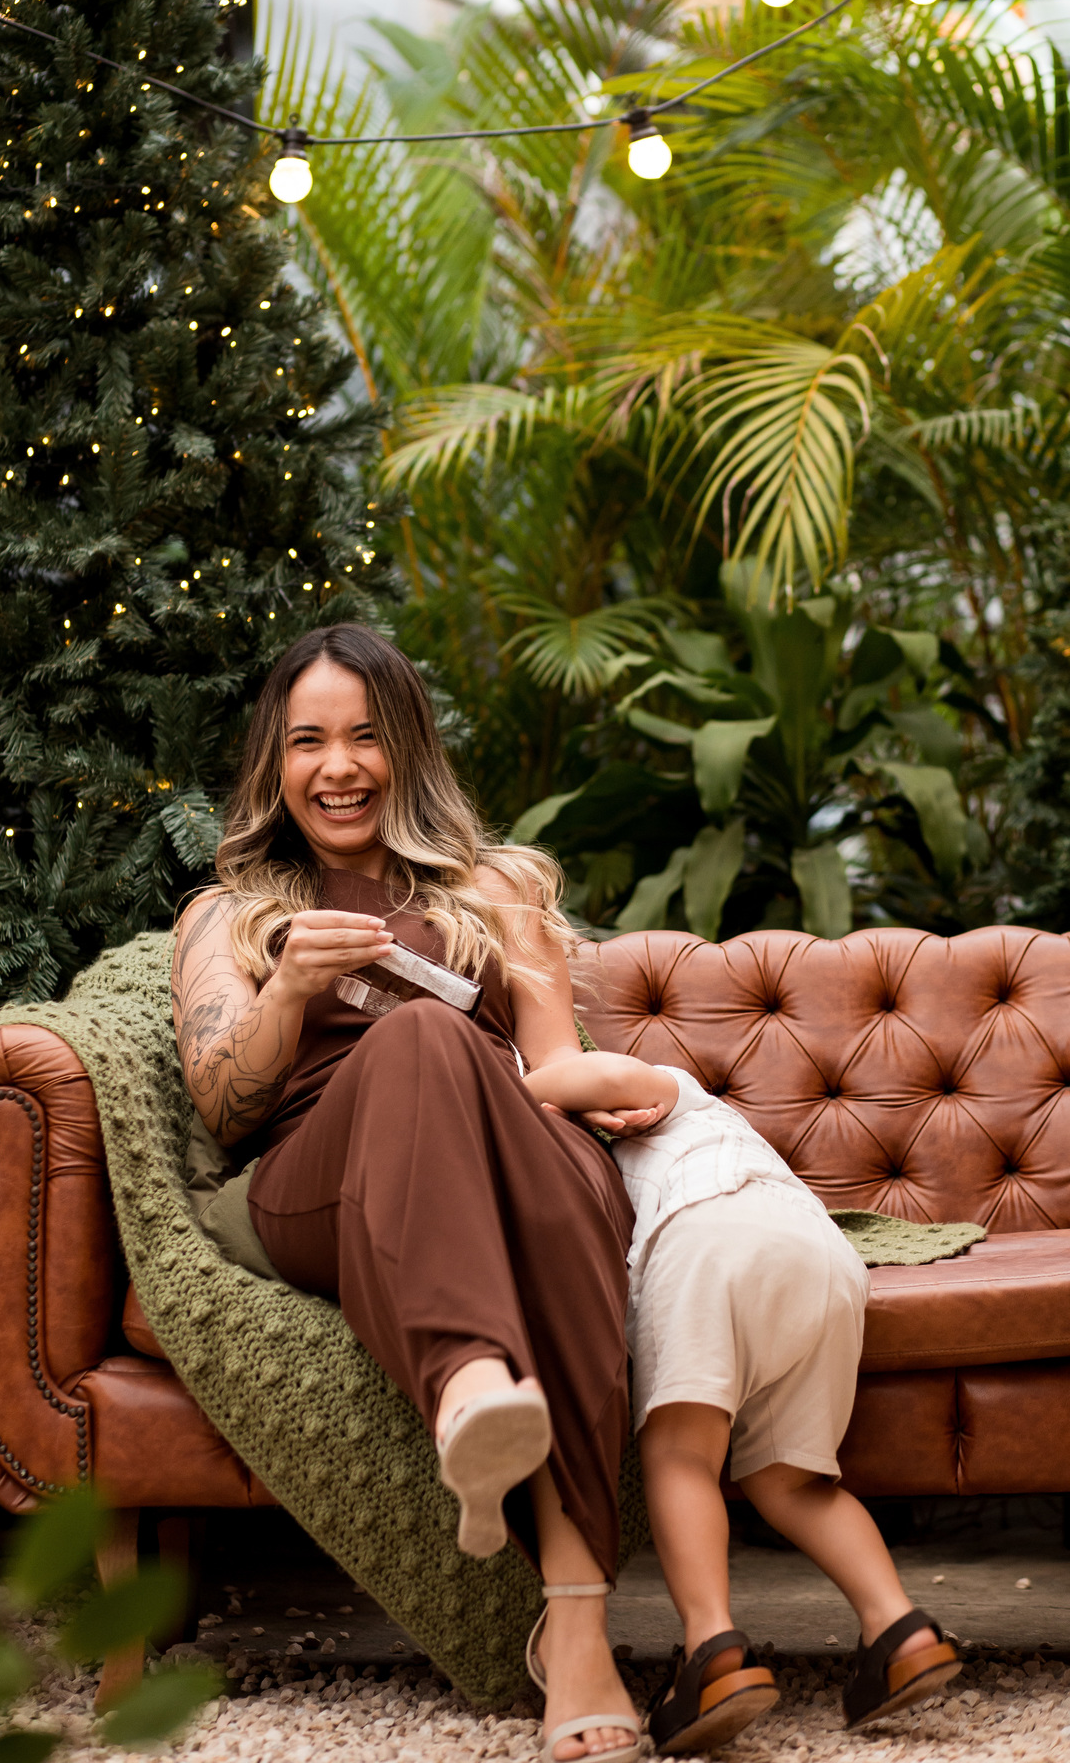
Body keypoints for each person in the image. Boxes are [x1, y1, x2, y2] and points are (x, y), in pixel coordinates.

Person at [171, 624, 663, 1763]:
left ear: (408, 747)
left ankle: (570, 1620)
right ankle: (471, 1385)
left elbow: (550, 1067)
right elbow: (224, 1109)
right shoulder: (229, 914)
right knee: (423, 1040)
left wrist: (639, 1088)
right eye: (308, 741)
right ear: (275, 761)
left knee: (500, 1121)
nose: (337, 766)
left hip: (502, 1147)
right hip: (321, 1181)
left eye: (364, 736)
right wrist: (287, 988)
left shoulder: (499, 889)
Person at [523, 1050, 963, 1752]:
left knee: (682, 1457)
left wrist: (518, 1096)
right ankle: (897, 1629)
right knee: (794, 1483)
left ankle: (713, 1650)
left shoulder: (671, 1098)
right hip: (823, 1260)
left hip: (708, 1235)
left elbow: (605, 1077)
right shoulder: (718, 1131)